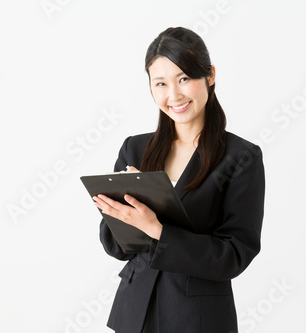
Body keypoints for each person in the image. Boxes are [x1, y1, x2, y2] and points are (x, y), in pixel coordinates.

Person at [92, 27, 265, 332]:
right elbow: (116, 247)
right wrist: (118, 214)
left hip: (197, 317)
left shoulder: (241, 157)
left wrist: (157, 229)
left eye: (184, 78)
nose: (174, 95)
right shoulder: (135, 148)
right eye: (160, 83)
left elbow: (235, 255)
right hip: (134, 313)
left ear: (209, 75)